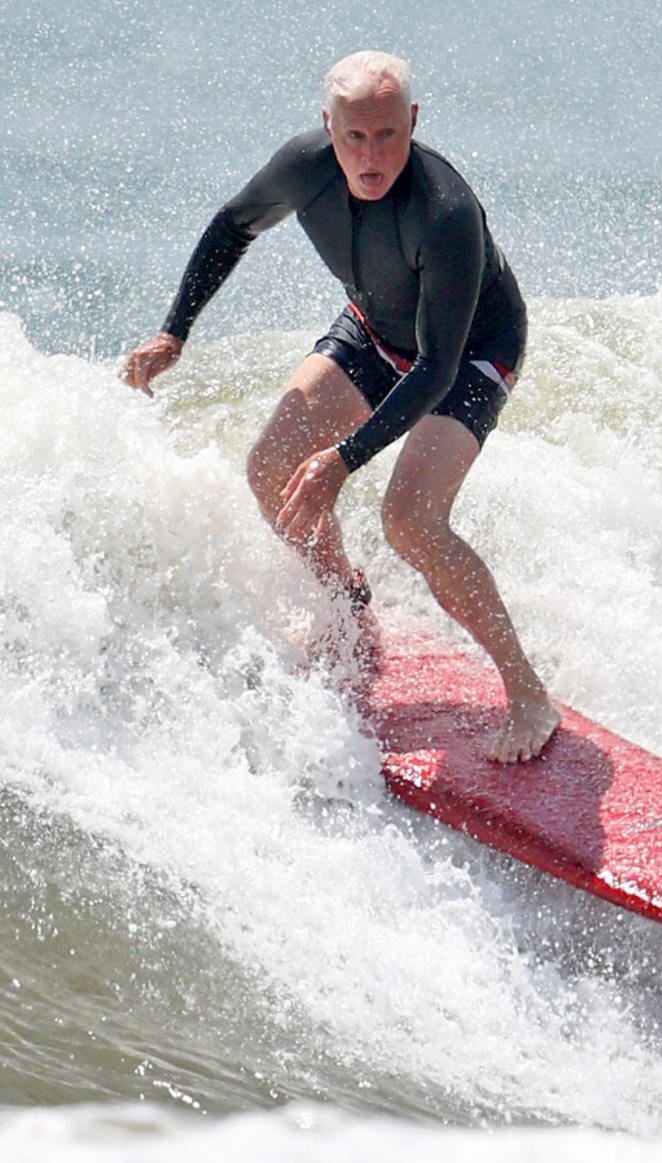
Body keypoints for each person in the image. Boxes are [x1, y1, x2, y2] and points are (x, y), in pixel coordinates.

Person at [122, 50, 560, 763]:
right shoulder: (305, 166)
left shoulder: (444, 212)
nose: (372, 154)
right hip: (375, 325)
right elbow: (233, 226)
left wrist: (345, 459)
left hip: (469, 347)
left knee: (410, 520)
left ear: (412, 122)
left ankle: (528, 693)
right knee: (271, 467)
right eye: (355, 136)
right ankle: (350, 606)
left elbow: (436, 366)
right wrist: (176, 330)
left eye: (389, 134)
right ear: (329, 127)